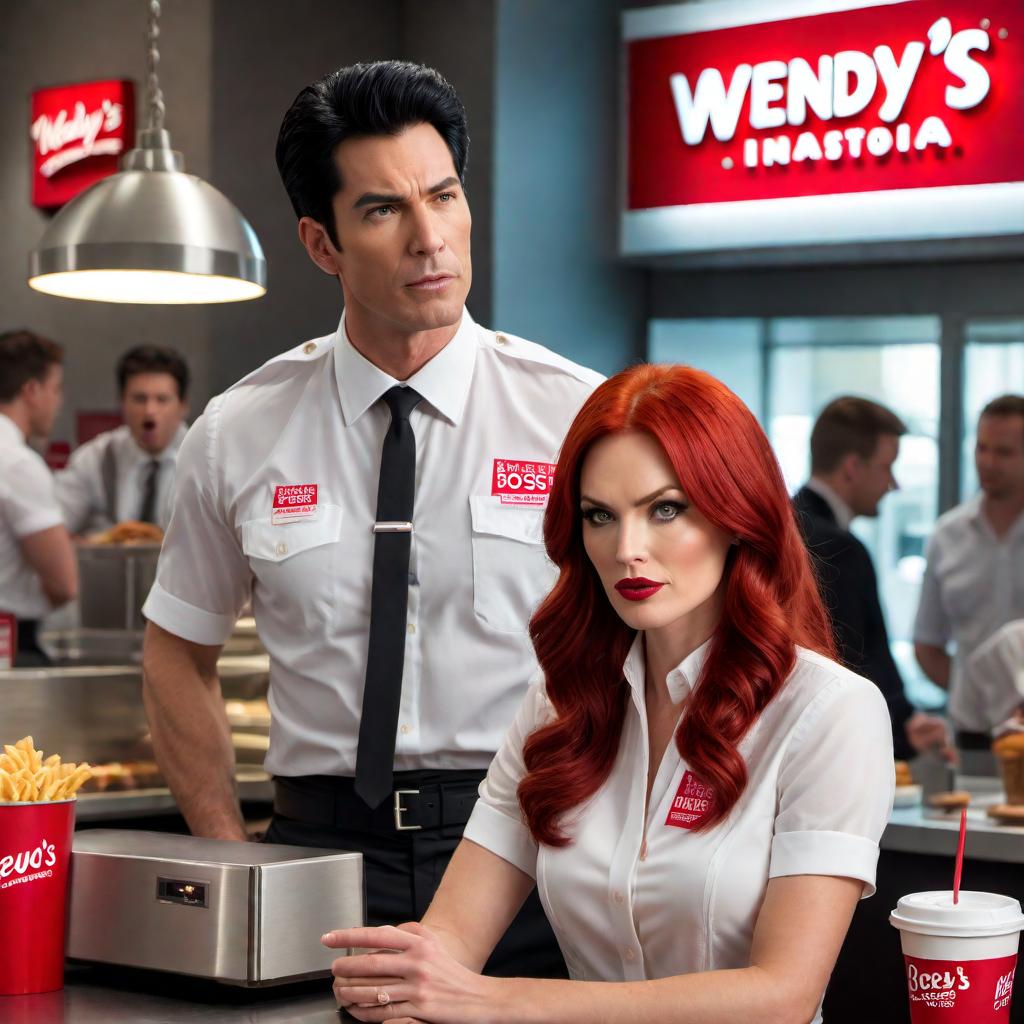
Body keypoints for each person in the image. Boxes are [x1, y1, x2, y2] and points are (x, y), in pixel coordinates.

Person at [140, 61, 601, 976]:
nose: (431, 238)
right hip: (317, 851)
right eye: (385, 210)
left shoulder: (576, 416)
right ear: (323, 243)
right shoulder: (238, 432)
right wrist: (230, 854)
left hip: (531, 845)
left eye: (445, 195)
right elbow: (175, 649)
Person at [324, 364, 894, 1024]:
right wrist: (399, 979)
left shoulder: (831, 713)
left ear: (737, 516)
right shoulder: (559, 703)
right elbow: (452, 941)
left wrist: (492, 999)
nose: (628, 549)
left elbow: (781, 996)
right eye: (600, 516)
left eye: (666, 510)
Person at [793, 396, 950, 761]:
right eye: (887, 466)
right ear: (851, 467)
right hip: (834, 746)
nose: (893, 483)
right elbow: (857, 660)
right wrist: (904, 724)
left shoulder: (775, 530)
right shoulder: (839, 548)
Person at [915, 395, 1024, 744]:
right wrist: (974, 692)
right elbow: (927, 643)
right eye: (982, 448)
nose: (988, 462)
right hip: (971, 733)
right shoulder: (947, 535)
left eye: (1004, 452)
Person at [0, 330, 77, 666]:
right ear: (31, 390)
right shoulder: (17, 464)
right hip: (10, 640)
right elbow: (63, 584)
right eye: (55, 389)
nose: (57, 401)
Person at [56, 345, 190, 535]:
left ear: (183, 406)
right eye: (139, 399)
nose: (150, 411)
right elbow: (54, 524)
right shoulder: (96, 457)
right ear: (121, 402)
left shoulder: (204, 459)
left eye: (161, 399)